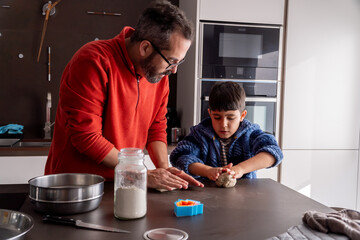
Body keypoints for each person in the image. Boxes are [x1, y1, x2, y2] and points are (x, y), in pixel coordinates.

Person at [45, 0, 203, 190]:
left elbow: (156, 126)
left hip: (126, 184)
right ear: (145, 48)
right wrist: (140, 173)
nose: (174, 70)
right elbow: (86, 136)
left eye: (179, 62)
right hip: (77, 187)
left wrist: (164, 170)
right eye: (171, 61)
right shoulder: (93, 61)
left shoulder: (158, 75)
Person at [170, 81, 283, 181]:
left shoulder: (251, 133)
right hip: (207, 195)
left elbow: (273, 152)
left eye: (230, 118)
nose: (223, 124)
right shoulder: (199, 134)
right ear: (210, 113)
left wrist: (240, 169)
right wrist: (208, 171)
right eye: (217, 117)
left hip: (245, 197)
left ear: (242, 115)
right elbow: (180, 157)